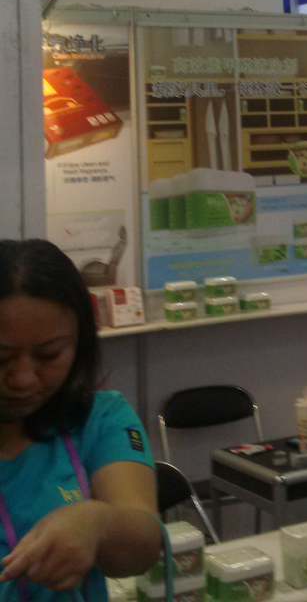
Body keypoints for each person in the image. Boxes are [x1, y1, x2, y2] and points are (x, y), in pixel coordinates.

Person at [0, 239, 160, 602]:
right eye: (1, 358)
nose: (23, 379)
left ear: (80, 344)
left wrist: (97, 521)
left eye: (49, 355)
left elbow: (144, 544)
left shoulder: (100, 419)